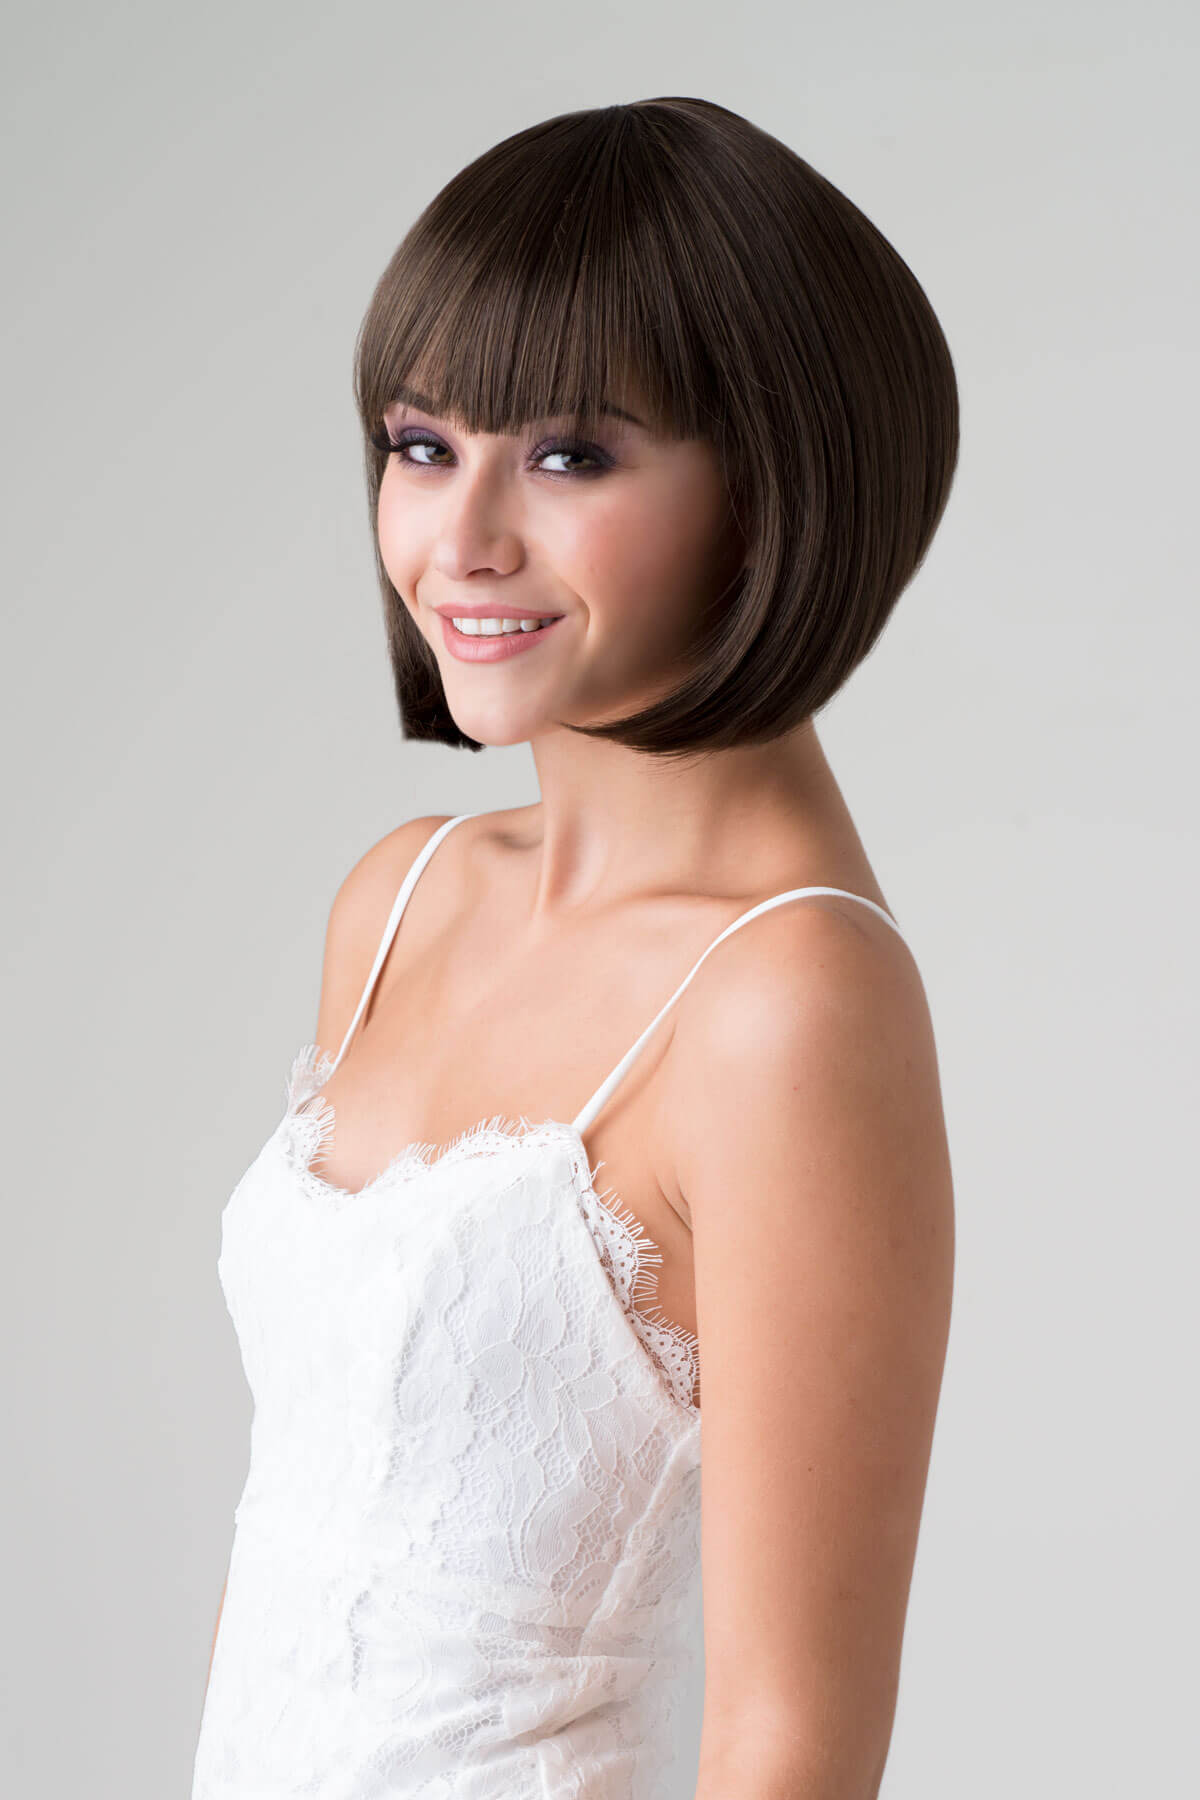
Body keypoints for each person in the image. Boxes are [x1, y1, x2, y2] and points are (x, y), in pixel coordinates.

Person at [191, 95, 958, 1800]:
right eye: (419, 443)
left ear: (778, 477)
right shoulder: (403, 896)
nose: (459, 539)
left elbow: (793, 1749)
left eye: (567, 455)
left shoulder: (789, 1004)